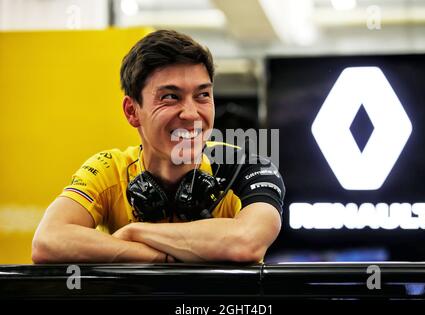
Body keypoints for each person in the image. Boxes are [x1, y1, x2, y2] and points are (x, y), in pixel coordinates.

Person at [32, 30, 285, 264]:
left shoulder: (247, 167)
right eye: (170, 97)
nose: (191, 113)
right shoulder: (108, 169)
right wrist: (159, 258)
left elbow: (246, 242)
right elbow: (48, 241)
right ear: (132, 111)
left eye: (203, 95)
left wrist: (134, 231)